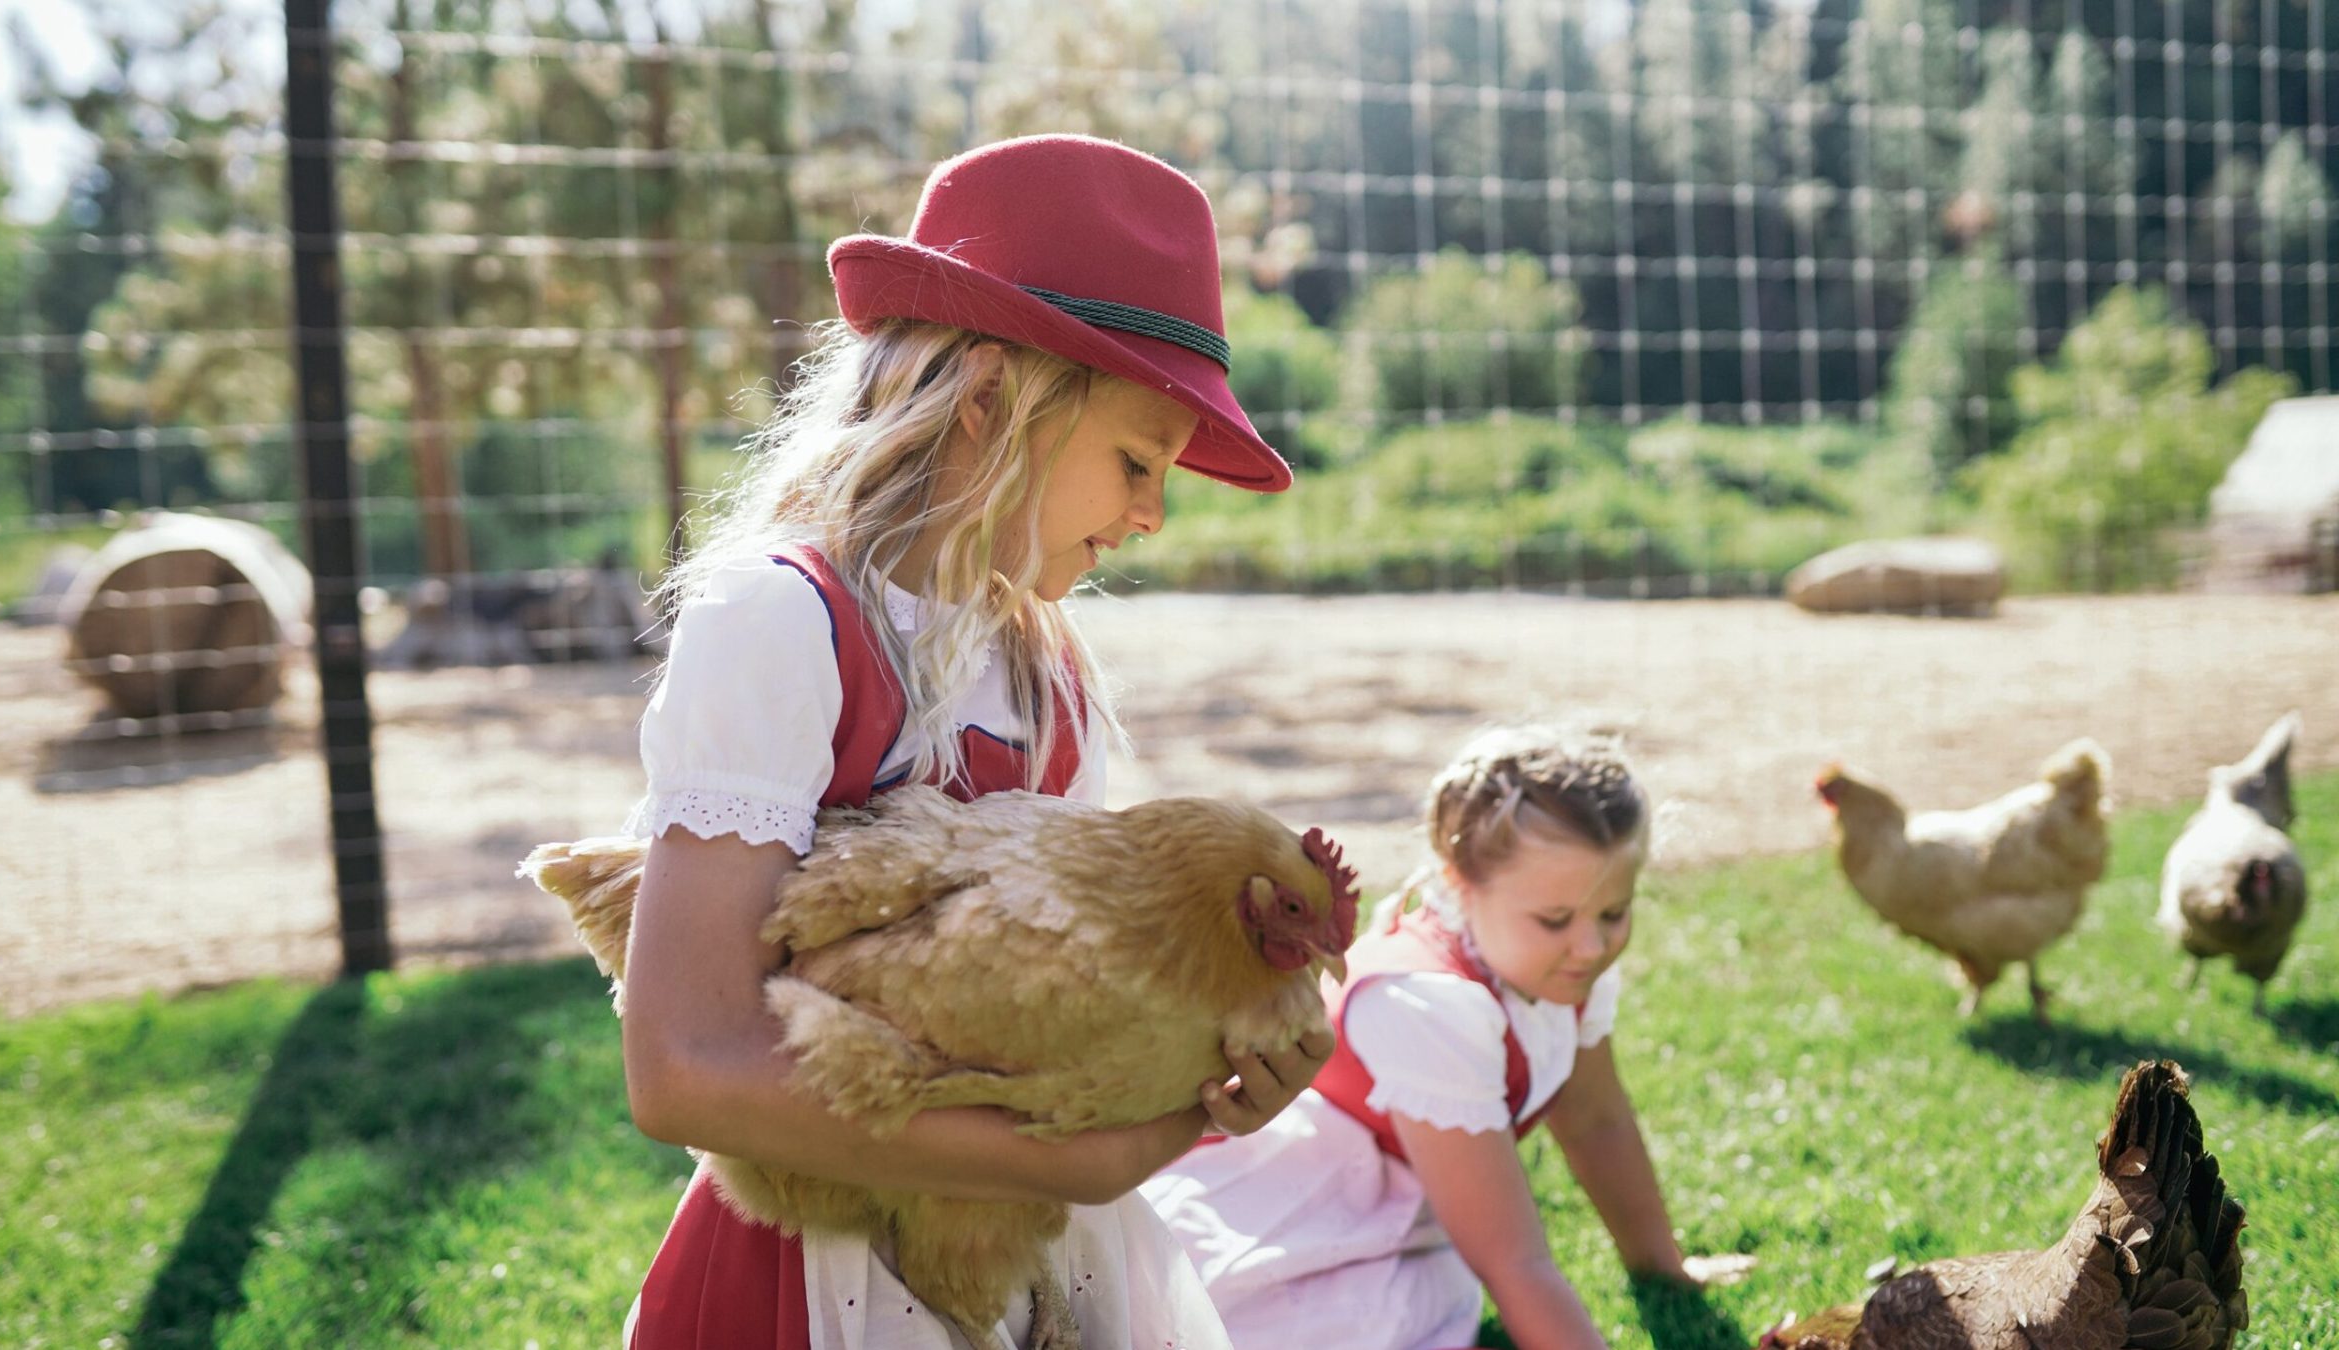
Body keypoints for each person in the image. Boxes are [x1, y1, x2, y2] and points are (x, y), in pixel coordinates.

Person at [612, 134, 1331, 1349]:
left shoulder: (1049, 671)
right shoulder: (784, 620)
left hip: (1030, 1252)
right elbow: (683, 1063)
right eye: (1135, 460)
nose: (1153, 514)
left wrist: (1202, 1083)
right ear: (994, 396)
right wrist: (1071, 1160)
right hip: (822, 1272)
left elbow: (1057, 1003)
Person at [1143, 725, 1753, 1350]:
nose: (1593, 946)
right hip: (1295, 1202)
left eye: (1613, 913)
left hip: (1418, 1204)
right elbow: (1515, 1261)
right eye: (1554, 919)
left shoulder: (1568, 965)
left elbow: (1596, 1121)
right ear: (1460, 883)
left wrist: (1662, 1266)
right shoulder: (1428, 1005)